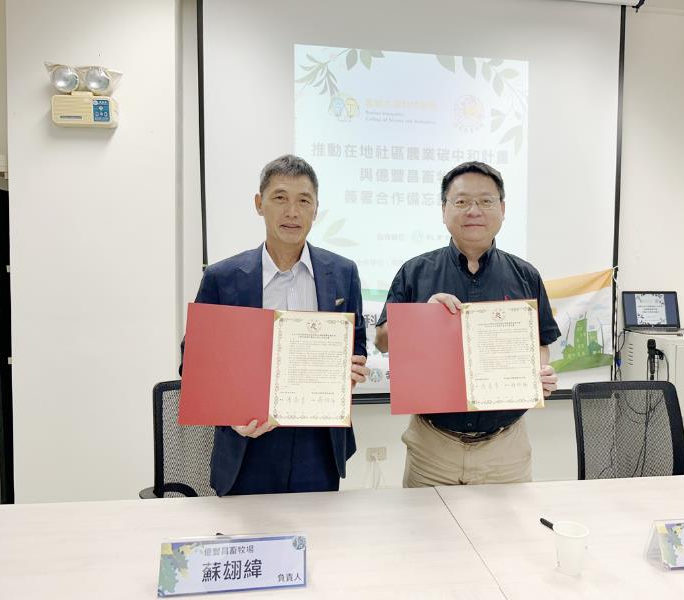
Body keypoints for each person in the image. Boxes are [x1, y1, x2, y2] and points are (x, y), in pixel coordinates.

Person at [185, 155, 369, 495]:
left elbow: (356, 343)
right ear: (259, 204)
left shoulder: (343, 272)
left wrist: (353, 367)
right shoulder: (223, 278)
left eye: (304, 201)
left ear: (316, 209)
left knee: (318, 529)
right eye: (280, 198)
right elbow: (194, 364)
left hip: (319, 444)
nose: (292, 212)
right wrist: (230, 416)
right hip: (248, 443)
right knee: (246, 530)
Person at [374, 161, 560, 487]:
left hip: (505, 448)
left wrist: (537, 372)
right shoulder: (415, 271)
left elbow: (541, 344)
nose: (474, 210)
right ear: (444, 209)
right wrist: (423, 319)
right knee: (426, 522)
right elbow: (382, 340)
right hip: (432, 447)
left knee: (507, 524)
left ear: (502, 209)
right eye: (461, 201)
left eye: (486, 201)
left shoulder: (525, 275)